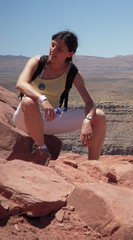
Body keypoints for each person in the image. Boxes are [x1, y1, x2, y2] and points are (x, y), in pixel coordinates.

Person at [13, 31, 106, 165]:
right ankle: (42, 150)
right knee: (28, 101)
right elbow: (21, 83)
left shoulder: (72, 72)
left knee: (100, 116)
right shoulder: (37, 62)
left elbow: (90, 102)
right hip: (26, 119)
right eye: (52, 45)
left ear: (70, 53)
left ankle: (93, 163)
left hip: (50, 119)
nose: (53, 50)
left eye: (59, 49)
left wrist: (87, 120)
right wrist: (42, 99)